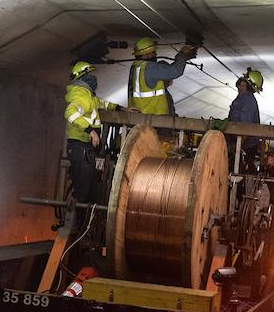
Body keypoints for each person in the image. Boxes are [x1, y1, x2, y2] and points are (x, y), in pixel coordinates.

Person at [64, 61, 126, 207]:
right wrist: (90, 131)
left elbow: (101, 103)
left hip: (84, 148)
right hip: (79, 147)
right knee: (83, 190)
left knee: (89, 186)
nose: (93, 78)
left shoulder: (88, 95)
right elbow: (70, 112)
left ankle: (83, 220)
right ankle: (77, 222)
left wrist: (119, 108)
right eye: (89, 75)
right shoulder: (80, 93)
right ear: (83, 77)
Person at [128, 37, 196, 115]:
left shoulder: (136, 67)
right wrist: (182, 54)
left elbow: (168, 70)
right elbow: (175, 71)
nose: (155, 54)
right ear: (148, 54)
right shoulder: (150, 67)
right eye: (154, 52)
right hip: (152, 117)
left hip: (139, 116)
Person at [227, 68, 264, 172]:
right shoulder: (241, 98)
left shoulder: (248, 101)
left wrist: (237, 148)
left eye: (243, 81)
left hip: (245, 147)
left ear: (247, 85)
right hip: (239, 144)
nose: (239, 83)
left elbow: (245, 128)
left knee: (238, 176)